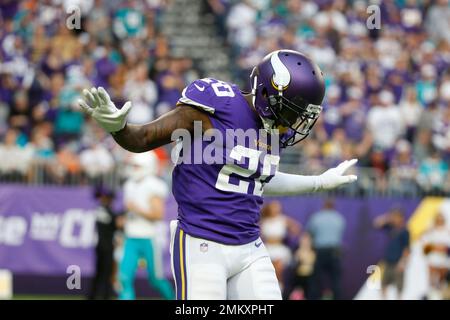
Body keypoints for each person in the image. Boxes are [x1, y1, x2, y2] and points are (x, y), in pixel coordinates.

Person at [78, 49, 358, 300]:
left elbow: (258, 180)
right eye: (291, 112)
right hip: (202, 242)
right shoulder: (218, 106)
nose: (295, 123)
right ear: (266, 94)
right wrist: (119, 128)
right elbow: (143, 139)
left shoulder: (273, 130)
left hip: (250, 247)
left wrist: (319, 182)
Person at [118, 151, 174, 300]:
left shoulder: (154, 185)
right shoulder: (129, 184)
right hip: (131, 237)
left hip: (148, 238)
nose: (134, 169)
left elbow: (158, 215)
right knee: (123, 277)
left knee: (156, 279)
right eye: (133, 166)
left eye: (137, 166)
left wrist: (136, 208)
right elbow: (128, 211)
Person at [306, 198, 346, 300]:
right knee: (336, 279)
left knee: (316, 279)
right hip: (335, 251)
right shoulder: (339, 218)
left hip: (320, 251)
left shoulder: (317, 217)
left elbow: (310, 233)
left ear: (323, 206)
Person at [88, 185, 121, 300]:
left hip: (100, 246)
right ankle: (105, 296)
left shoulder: (100, 210)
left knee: (98, 274)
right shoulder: (108, 212)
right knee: (107, 275)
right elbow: (117, 225)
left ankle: (92, 296)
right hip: (107, 247)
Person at [260, 200, 301, 290]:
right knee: (267, 271)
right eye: (274, 207)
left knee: (278, 270)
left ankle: (279, 290)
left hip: (279, 249)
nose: (276, 209)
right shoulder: (264, 221)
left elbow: (296, 227)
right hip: (267, 249)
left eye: (277, 207)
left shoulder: (282, 219)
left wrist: (291, 236)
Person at [374, 207, 410, 300]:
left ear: (401, 218)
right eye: (393, 216)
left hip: (398, 262)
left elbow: (406, 249)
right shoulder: (390, 227)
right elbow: (376, 223)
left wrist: (402, 262)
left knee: (399, 287)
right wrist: (388, 218)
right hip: (388, 261)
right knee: (384, 284)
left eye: (396, 216)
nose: (394, 218)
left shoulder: (404, 231)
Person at [421, 213, 450, 299]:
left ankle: (442, 295)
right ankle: (431, 295)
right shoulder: (431, 231)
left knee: (442, 281)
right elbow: (425, 246)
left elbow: (447, 247)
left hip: (444, 260)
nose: (440, 221)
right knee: (432, 281)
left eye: (441, 220)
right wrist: (435, 248)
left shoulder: (447, 231)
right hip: (433, 260)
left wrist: (443, 249)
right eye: (438, 219)